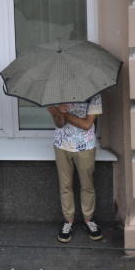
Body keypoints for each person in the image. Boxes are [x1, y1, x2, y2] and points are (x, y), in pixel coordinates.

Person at [48, 94, 103, 243]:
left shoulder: (94, 93)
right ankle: (68, 221)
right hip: (62, 145)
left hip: (85, 146)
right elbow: (59, 124)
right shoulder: (56, 94)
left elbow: (87, 124)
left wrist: (65, 113)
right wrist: (56, 113)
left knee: (87, 185)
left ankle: (89, 219)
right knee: (65, 186)